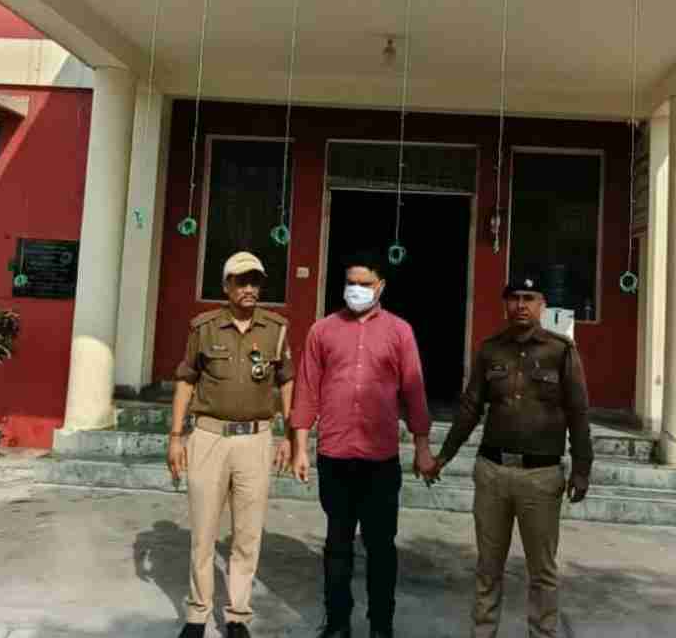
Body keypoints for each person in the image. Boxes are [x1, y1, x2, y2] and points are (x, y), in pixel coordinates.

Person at [426, 274, 593, 638]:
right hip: (493, 473)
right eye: (514, 298)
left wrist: (582, 469)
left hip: (541, 477)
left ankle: (542, 633)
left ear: (542, 305)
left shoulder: (561, 352)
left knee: (542, 571)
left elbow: (578, 413)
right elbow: (470, 408)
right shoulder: (490, 350)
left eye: (529, 298)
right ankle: (483, 633)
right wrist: (444, 456)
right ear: (505, 304)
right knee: (488, 567)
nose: (521, 305)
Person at [291, 251, 437, 638]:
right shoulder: (322, 330)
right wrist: (300, 447)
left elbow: (414, 391)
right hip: (334, 456)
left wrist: (422, 447)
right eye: (350, 283)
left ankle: (380, 625)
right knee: (337, 544)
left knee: (381, 546)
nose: (356, 290)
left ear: (381, 286)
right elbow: (307, 390)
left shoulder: (400, 332)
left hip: (380, 459)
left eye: (364, 284)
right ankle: (338, 622)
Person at [167, 251, 294, 638]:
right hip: (209, 437)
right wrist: (176, 436)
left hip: (256, 439)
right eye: (241, 281)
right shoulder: (204, 328)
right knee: (203, 533)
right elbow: (186, 380)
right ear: (226, 286)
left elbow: (286, 381)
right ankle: (197, 614)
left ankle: (238, 615)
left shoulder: (276, 329)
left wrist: (290, 435)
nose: (249, 288)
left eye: (255, 281)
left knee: (247, 534)